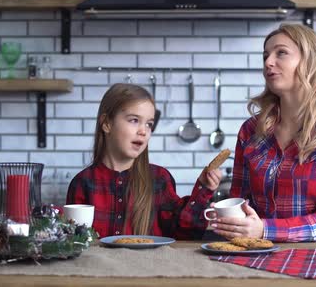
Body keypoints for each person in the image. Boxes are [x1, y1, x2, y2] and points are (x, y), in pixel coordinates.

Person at [211, 23, 316, 243]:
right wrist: (230, 221)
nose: (268, 62)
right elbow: (239, 202)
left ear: (310, 61)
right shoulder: (251, 131)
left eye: (281, 53)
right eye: (265, 55)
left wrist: (264, 229)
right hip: (259, 254)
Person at [66, 83, 222, 239]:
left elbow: (186, 235)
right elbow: (73, 243)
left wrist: (203, 189)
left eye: (149, 124)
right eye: (134, 120)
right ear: (107, 123)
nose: (143, 131)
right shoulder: (82, 183)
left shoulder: (160, 179)